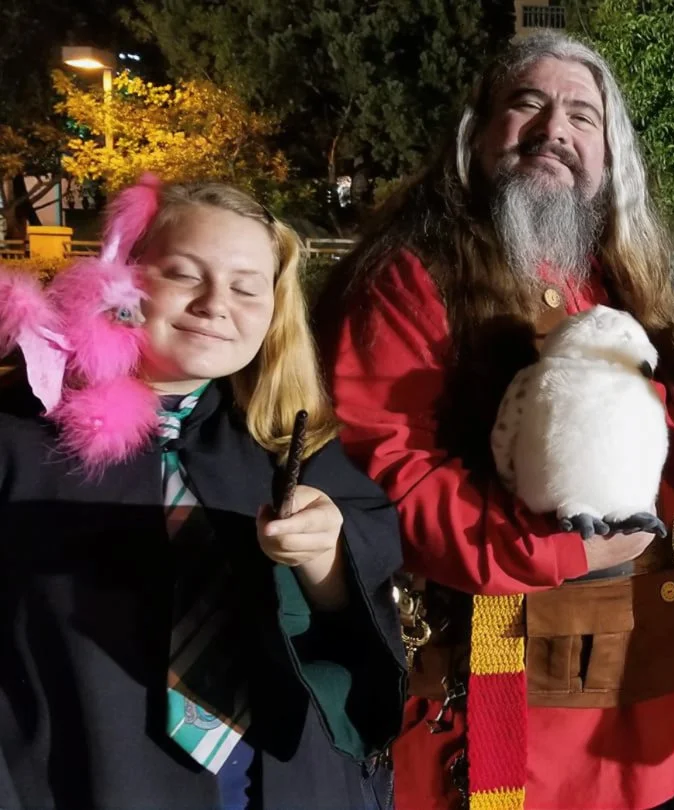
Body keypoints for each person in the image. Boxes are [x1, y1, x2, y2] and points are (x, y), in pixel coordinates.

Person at [315, 30, 674, 810]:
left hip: (656, 686)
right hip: (514, 697)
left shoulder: (619, 276)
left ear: (609, 155)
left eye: (583, 116)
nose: (555, 130)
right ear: (477, 132)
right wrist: (566, 547)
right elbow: (392, 480)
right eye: (528, 104)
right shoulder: (412, 277)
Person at [0, 178, 406, 809]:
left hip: (276, 785)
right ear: (123, 279)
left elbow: (357, 626)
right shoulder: (17, 439)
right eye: (184, 275)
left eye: (247, 287)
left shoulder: (287, 441)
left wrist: (324, 556)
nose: (216, 304)